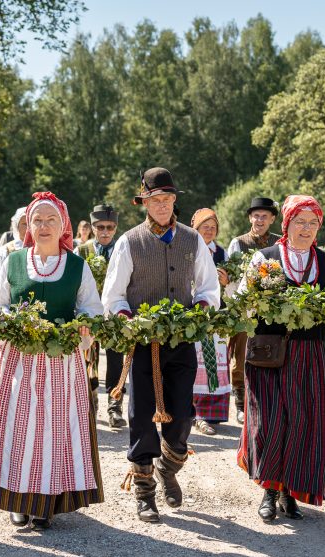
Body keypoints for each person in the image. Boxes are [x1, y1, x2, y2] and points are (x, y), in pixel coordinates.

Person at [102, 167, 220, 523]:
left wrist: (198, 311)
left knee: (182, 416)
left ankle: (168, 468)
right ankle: (144, 493)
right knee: (140, 418)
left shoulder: (191, 239)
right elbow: (113, 295)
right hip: (141, 345)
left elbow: (209, 288)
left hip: (181, 342)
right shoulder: (129, 242)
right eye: (157, 200)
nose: (164, 205)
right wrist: (128, 320)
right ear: (145, 202)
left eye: (169, 199)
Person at [0, 191, 104, 529]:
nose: (43, 226)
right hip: (18, 362)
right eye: (37, 220)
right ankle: (16, 501)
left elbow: (92, 310)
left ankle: (44, 504)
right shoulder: (14, 261)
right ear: (28, 225)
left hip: (60, 365)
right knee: (14, 428)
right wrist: (14, 324)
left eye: (51, 219)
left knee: (53, 430)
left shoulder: (77, 266)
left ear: (63, 224)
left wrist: (81, 327)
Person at [236, 194, 325, 522]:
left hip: (311, 353)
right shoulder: (265, 258)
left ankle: (289, 492)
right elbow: (244, 300)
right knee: (268, 420)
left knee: (302, 421)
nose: (307, 228)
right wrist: (264, 304)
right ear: (287, 224)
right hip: (270, 352)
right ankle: (268, 490)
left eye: (313, 223)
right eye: (301, 222)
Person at [225, 197, 281, 425]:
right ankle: (240, 403)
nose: (260, 220)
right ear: (250, 217)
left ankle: (266, 400)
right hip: (245, 306)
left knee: (270, 351)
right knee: (241, 354)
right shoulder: (238, 243)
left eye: (264, 216)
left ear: (272, 219)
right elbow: (232, 277)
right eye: (256, 215)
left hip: (271, 309)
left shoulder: (280, 243)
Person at [75, 204, 126, 428]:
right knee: (88, 358)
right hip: (89, 312)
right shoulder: (83, 250)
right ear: (93, 227)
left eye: (110, 227)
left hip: (114, 312)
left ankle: (115, 406)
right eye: (100, 227)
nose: (105, 232)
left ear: (115, 228)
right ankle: (90, 401)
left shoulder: (123, 249)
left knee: (116, 360)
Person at [190, 208, 232, 436]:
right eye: (205, 226)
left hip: (215, 316)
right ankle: (192, 412)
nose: (209, 230)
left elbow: (230, 286)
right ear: (195, 228)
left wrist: (225, 281)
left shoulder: (221, 252)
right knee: (193, 364)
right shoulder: (189, 248)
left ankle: (209, 413)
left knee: (212, 364)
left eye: (213, 226)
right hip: (193, 315)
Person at [0, 206, 28, 284]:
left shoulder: (45, 249)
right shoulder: (6, 250)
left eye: (32, 223)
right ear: (17, 226)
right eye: (24, 224)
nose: (28, 228)